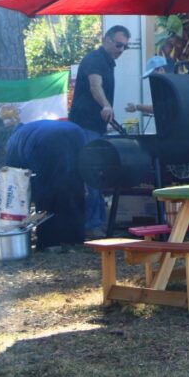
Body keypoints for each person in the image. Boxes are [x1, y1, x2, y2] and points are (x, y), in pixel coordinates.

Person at [67, 25, 131, 234]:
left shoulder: (108, 62)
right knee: (92, 173)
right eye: (119, 44)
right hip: (84, 126)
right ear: (107, 40)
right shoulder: (95, 59)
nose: (121, 50)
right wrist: (106, 105)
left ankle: (99, 221)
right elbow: (95, 85)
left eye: (125, 47)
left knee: (99, 173)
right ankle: (92, 225)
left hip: (96, 127)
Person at [0, 119, 99, 249]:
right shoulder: (28, 128)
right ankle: (75, 237)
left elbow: (16, 180)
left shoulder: (12, 142)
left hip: (47, 141)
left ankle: (49, 240)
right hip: (76, 132)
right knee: (75, 186)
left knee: (47, 190)